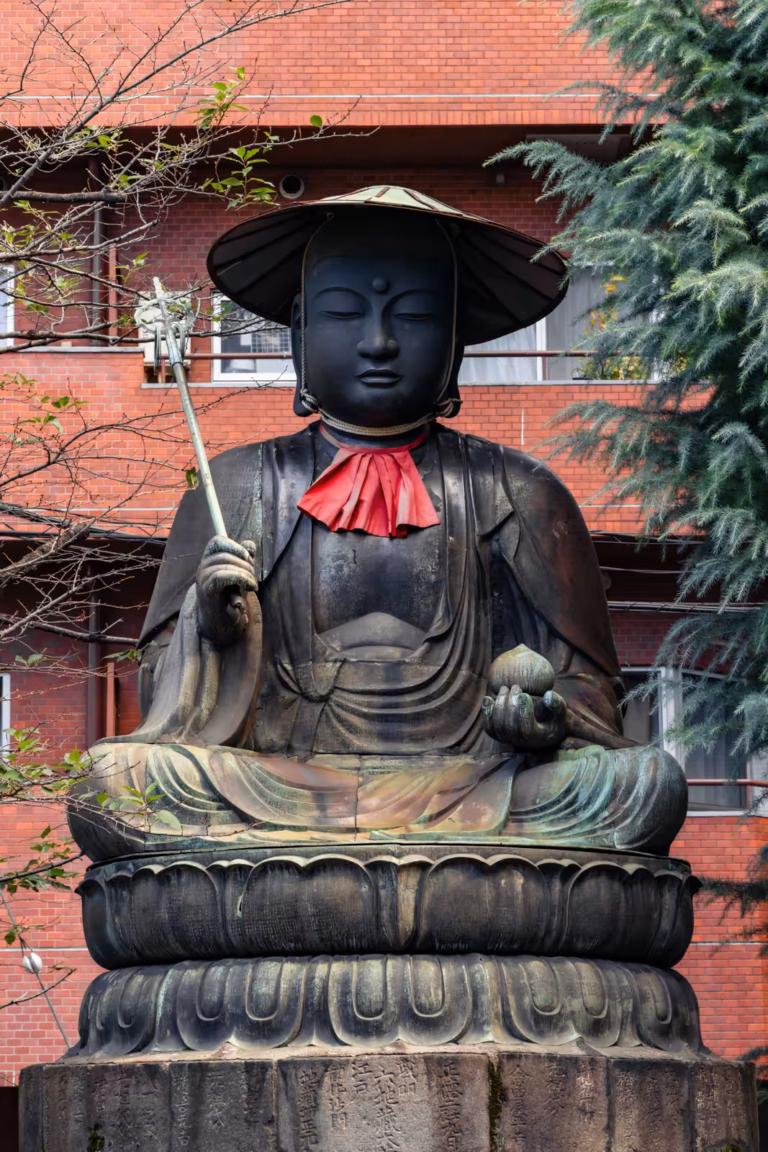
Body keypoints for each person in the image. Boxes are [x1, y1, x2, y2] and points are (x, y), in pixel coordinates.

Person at [70, 187, 686, 861]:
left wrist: (545, 718)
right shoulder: (237, 485)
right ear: (301, 333)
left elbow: (590, 697)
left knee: (641, 784)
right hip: (280, 788)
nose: (380, 342)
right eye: (343, 314)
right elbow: (161, 697)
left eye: (416, 316)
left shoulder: (517, 491)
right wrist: (212, 631)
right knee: (115, 785)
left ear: (454, 340)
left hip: (474, 787)